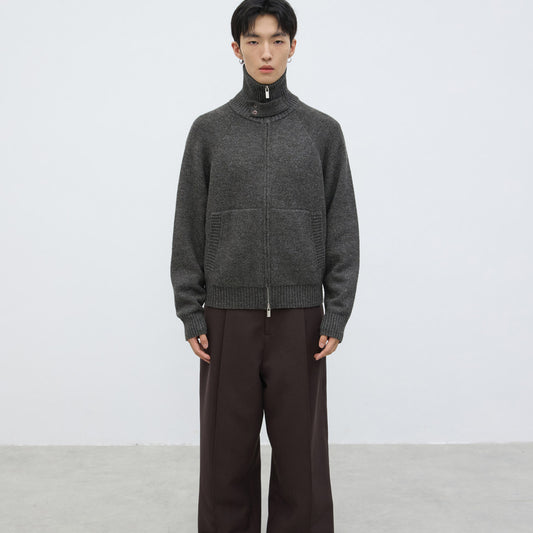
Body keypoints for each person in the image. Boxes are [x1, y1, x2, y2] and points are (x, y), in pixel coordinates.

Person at [170, 0, 360, 531]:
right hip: (226, 319)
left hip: (301, 319)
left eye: (277, 40)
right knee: (225, 459)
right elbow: (188, 224)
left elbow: (342, 225)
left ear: (293, 47)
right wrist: (190, 309)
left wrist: (336, 311)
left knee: (302, 462)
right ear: (236, 49)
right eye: (253, 41)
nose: (266, 52)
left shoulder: (322, 132)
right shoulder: (208, 132)